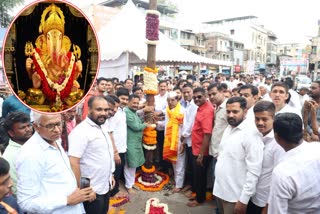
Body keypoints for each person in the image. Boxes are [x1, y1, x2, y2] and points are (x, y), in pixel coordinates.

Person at [16, 112, 92, 213]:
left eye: (59, 123)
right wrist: (67, 200)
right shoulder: (30, 154)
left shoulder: (54, 140)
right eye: (50, 126)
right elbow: (26, 203)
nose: (57, 130)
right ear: (36, 126)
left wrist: (82, 193)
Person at [25, 3, 83, 108]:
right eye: (50, 37)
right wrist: (29, 70)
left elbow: (70, 78)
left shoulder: (68, 57)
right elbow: (34, 76)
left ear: (63, 39)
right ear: (44, 39)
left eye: (58, 37)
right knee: (35, 93)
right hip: (44, 93)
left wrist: (78, 71)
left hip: (64, 93)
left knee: (76, 91)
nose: (55, 40)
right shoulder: (38, 55)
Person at [213, 96, 264, 214]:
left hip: (235, 197)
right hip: (221, 190)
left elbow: (254, 171)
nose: (230, 115)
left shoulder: (251, 134)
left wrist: (243, 200)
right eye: (228, 111)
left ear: (245, 111)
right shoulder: (229, 128)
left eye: (235, 112)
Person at [69, 96, 115, 214]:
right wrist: (85, 190)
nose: (103, 113)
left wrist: (110, 175)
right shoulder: (81, 132)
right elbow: (73, 163)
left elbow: (105, 155)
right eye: (99, 109)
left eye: (106, 110)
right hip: (92, 191)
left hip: (105, 184)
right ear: (89, 109)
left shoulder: (103, 126)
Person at [267, 113, 320, 213]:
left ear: (276, 136)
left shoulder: (282, 173)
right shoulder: (317, 148)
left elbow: (277, 211)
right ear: (301, 131)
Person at [247, 101, 285, 213]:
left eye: (264, 119)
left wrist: (268, 206)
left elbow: (278, 179)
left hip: (264, 200)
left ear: (273, 118)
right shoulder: (254, 136)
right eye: (257, 119)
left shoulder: (278, 144)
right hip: (251, 194)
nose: (260, 123)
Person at [187, 87, 214, 207]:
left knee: (200, 176)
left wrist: (201, 154)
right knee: (197, 174)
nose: (196, 99)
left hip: (201, 151)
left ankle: (199, 199)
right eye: (195, 97)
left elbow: (207, 133)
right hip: (196, 147)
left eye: (199, 97)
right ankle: (198, 194)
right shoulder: (201, 108)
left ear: (205, 96)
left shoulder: (207, 110)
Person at [124, 94, 150, 193]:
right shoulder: (127, 112)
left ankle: (131, 183)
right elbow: (136, 126)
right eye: (134, 103)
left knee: (133, 164)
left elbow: (138, 123)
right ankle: (128, 186)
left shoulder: (133, 112)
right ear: (128, 102)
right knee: (129, 165)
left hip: (136, 142)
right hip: (130, 142)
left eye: (137, 103)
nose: (135, 105)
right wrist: (146, 124)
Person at [2, 112, 33, 195]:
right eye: (23, 127)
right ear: (11, 133)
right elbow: (15, 188)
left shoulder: (35, 144)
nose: (28, 129)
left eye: (29, 125)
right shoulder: (10, 156)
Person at [163, 91, 185, 193]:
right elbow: (166, 124)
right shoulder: (168, 110)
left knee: (179, 162)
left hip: (179, 141)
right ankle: (177, 181)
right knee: (173, 162)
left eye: (172, 100)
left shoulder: (182, 111)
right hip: (169, 140)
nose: (170, 102)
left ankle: (179, 185)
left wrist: (183, 142)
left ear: (178, 100)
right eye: (168, 100)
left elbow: (185, 128)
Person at [110, 88, 130, 198]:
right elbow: (110, 132)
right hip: (116, 148)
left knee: (118, 170)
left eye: (127, 99)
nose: (125, 101)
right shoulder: (115, 113)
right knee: (114, 171)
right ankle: (113, 193)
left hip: (122, 147)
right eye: (122, 99)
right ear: (117, 97)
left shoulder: (123, 111)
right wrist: (115, 151)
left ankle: (115, 190)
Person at [180, 83, 198, 196]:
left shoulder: (194, 105)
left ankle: (193, 188)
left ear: (192, 92)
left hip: (192, 139)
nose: (186, 94)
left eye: (188, 92)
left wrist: (184, 135)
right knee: (189, 164)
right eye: (184, 92)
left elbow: (191, 124)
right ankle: (190, 184)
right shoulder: (185, 104)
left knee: (193, 164)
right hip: (187, 139)